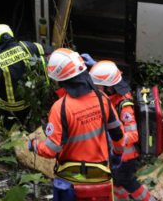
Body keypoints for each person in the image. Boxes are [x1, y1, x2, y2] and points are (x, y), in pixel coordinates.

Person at [28, 48, 125, 198]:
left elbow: (51, 150)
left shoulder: (60, 108)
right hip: (101, 179)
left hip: (71, 183)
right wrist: (117, 153)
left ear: (60, 78)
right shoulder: (102, 99)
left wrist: (34, 144)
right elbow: (117, 133)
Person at [91, 60, 155, 201]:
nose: (95, 89)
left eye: (97, 85)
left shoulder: (124, 105)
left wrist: (111, 136)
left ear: (107, 85)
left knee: (129, 183)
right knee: (117, 183)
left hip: (125, 157)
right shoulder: (116, 90)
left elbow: (133, 135)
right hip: (116, 154)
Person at [0, 24, 52, 131]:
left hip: (9, 107)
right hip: (29, 102)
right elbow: (49, 50)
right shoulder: (26, 46)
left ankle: (14, 135)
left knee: (5, 125)